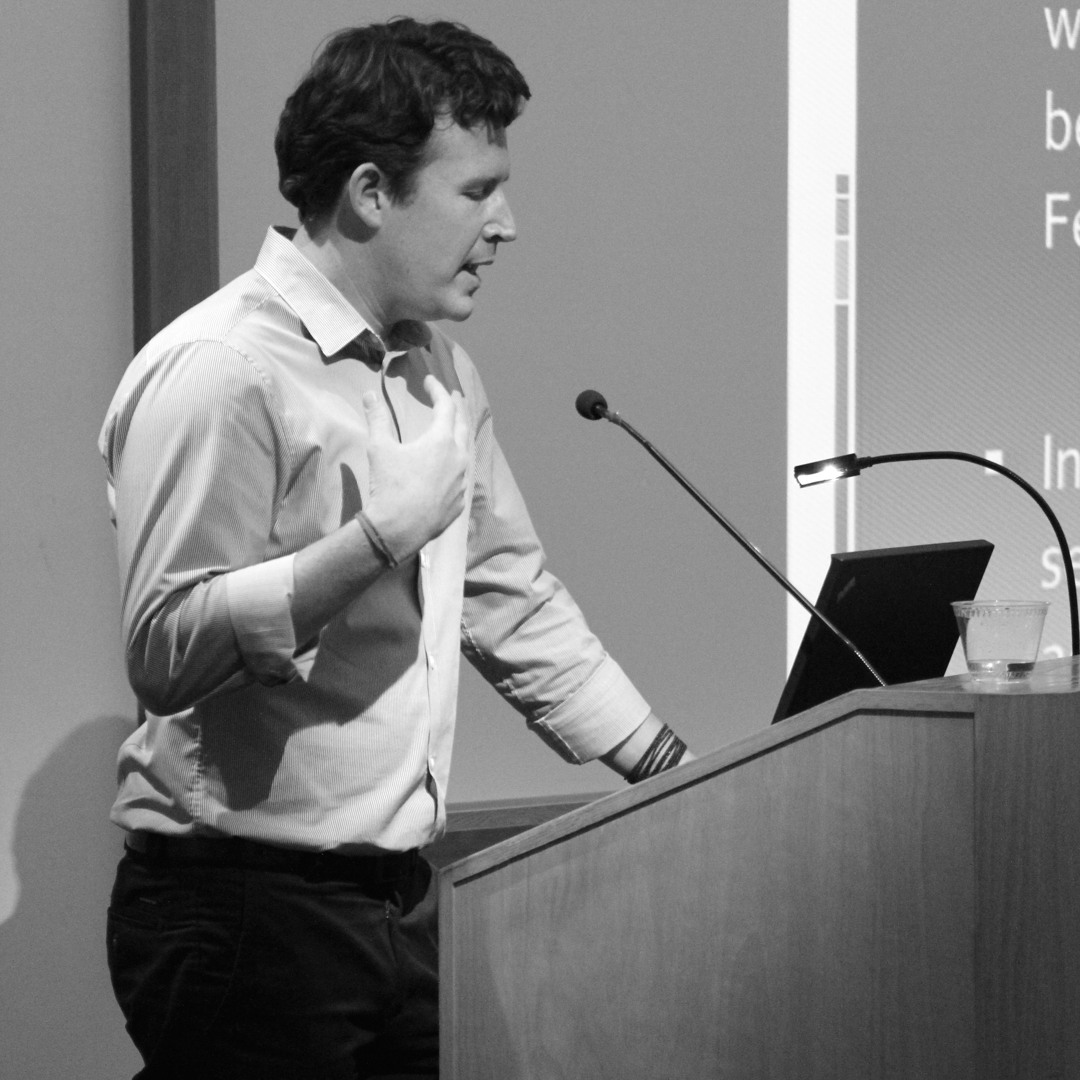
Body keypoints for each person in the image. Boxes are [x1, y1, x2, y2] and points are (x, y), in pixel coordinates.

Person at [100, 17, 692, 1080]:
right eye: (478, 192)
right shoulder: (223, 371)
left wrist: (674, 773)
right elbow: (164, 647)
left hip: (396, 901)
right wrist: (373, 541)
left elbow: (510, 596)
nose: (507, 225)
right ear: (372, 193)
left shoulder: (440, 372)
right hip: (242, 912)